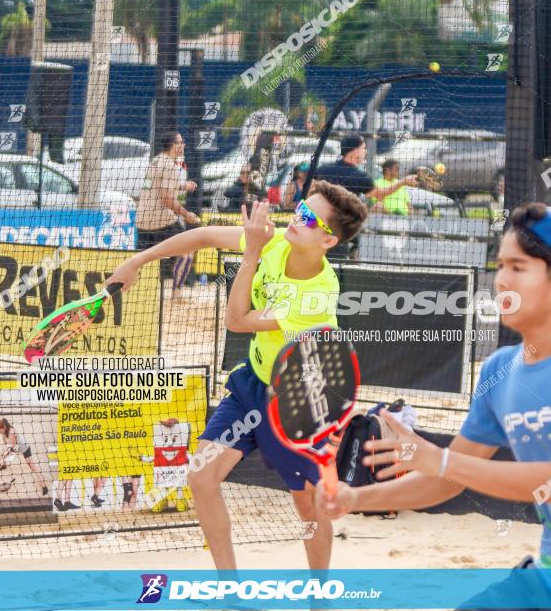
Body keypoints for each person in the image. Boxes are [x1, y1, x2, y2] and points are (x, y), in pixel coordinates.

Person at [106, 181, 368, 571]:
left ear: (328, 241)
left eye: (309, 218)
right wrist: (138, 261)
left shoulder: (317, 293)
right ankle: (230, 588)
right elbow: (206, 234)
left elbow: (237, 321)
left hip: (298, 404)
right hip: (253, 384)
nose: (297, 218)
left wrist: (251, 253)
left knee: (309, 506)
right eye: (299, 209)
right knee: (202, 476)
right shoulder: (279, 241)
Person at [315, 202, 551, 607]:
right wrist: (357, 498)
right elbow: (446, 480)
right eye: (500, 266)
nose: (501, 280)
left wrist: (439, 460)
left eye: (518, 267)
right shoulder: (500, 372)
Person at [136, 132, 199, 300]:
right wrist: (187, 215)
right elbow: (167, 198)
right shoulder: (170, 165)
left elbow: (159, 185)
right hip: (160, 218)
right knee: (187, 251)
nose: (184, 145)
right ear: (174, 146)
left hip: (142, 218)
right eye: (181, 142)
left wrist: (183, 186)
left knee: (142, 259)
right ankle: (177, 293)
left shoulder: (157, 160)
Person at [0, 418, 48, 497]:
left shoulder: (11, 432)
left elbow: (12, 447)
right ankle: (4, 465)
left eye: (0, 431)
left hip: (24, 449)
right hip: (14, 447)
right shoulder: (4, 432)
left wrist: (4, 455)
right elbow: (6, 444)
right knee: (2, 453)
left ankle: (44, 487)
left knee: (32, 467)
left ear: (4, 427)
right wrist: (3, 454)